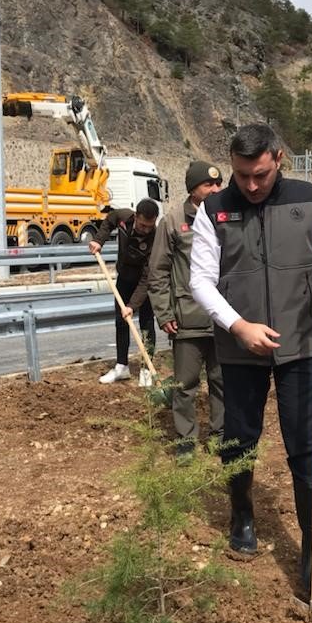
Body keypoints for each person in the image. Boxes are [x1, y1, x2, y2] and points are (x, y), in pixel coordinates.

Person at [190, 123, 312, 598]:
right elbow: (200, 280)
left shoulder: (309, 198)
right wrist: (238, 326)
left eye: (260, 174)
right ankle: (242, 513)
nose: (251, 185)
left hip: (302, 344)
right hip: (240, 348)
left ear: (278, 159)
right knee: (239, 439)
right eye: (242, 175)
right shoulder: (214, 210)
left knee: (306, 446)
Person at [143, 161, 225, 456]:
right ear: (193, 188)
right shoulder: (174, 221)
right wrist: (164, 313)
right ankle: (186, 443)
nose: (215, 189)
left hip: (223, 319)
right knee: (185, 386)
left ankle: (220, 437)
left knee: (222, 382)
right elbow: (158, 271)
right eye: (208, 184)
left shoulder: (227, 216)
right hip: (187, 319)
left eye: (218, 184)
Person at [89, 198, 160, 383]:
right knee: (121, 322)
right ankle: (122, 367)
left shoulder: (156, 238)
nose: (146, 230)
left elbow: (147, 279)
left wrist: (132, 306)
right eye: (142, 225)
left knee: (146, 324)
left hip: (144, 283)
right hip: (124, 278)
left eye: (149, 226)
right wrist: (98, 240)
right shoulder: (123, 217)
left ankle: (146, 370)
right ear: (136, 217)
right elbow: (109, 220)